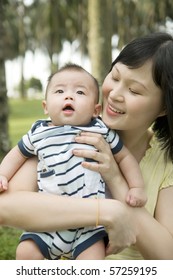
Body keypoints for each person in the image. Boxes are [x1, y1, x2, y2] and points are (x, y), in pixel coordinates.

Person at [0, 31, 173, 260]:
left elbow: (167, 256)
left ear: (163, 108)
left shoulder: (165, 161)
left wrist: (116, 179)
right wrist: (107, 212)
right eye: (115, 76)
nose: (115, 95)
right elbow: (6, 206)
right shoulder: (66, 133)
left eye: (134, 90)